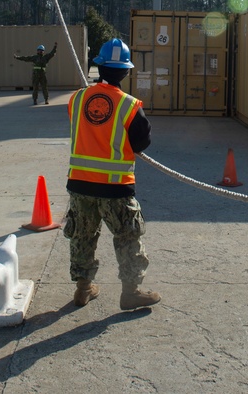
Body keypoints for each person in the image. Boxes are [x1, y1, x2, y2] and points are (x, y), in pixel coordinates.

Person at [64, 38, 161, 310]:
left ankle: (83, 289)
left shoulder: (77, 98)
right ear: (126, 71)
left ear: (99, 66)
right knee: (128, 237)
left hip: (80, 183)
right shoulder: (130, 105)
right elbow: (142, 143)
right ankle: (131, 292)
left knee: (82, 235)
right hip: (115, 187)